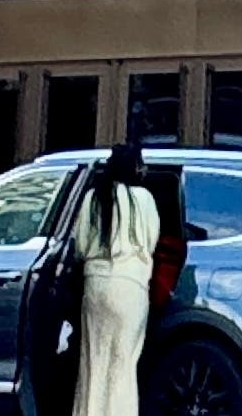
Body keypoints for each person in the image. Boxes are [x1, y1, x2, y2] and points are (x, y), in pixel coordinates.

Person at [71, 138, 161, 416]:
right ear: (134, 168)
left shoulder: (93, 198)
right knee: (123, 365)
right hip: (130, 286)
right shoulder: (144, 199)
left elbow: (80, 246)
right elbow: (151, 242)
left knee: (93, 363)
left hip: (96, 285)